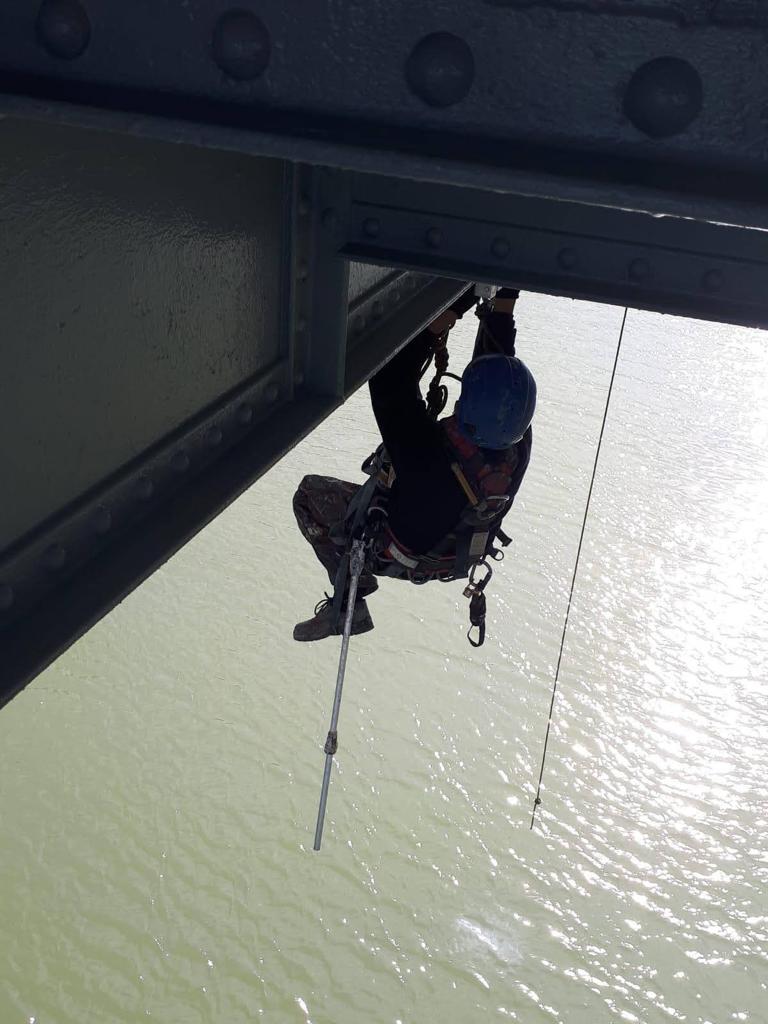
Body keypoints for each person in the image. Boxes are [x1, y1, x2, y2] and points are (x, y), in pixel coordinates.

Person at [292, 287, 535, 644]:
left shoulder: (428, 461)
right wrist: (503, 299)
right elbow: (499, 366)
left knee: (309, 496)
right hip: (453, 553)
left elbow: (391, 378)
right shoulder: (516, 446)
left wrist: (453, 304)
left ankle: (349, 602)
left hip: (400, 552)